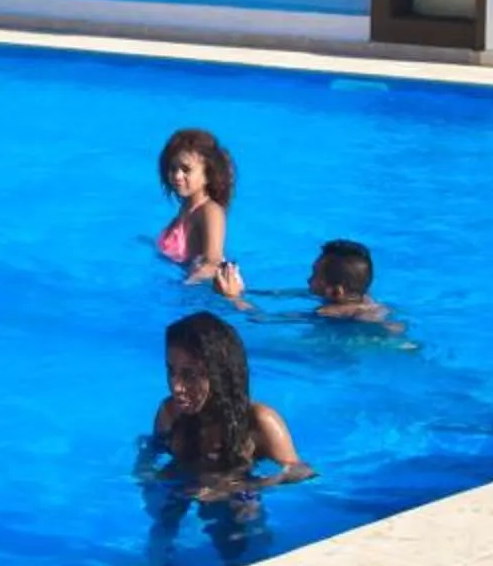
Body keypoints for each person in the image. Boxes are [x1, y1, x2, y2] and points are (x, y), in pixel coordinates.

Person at [143, 313, 311, 497]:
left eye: (189, 375)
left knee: (244, 511)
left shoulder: (259, 421)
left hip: (239, 500)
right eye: (171, 371)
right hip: (185, 488)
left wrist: (232, 488)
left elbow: (301, 473)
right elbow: (150, 455)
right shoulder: (170, 413)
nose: (176, 387)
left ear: (218, 374)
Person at [216, 240, 404, 333]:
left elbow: (264, 319)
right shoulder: (362, 297)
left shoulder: (328, 312)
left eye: (314, 275)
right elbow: (285, 294)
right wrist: (247, 291)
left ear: (336, 292)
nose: (308, 280)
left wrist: (234, 299)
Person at [153, 127, 233, 283]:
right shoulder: (186, 209)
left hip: (207, 296)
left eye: (186, 170)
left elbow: (213, 261)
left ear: (208, 174)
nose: (177, 176)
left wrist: (188, 284)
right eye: (173, 168)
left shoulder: (210, 211)